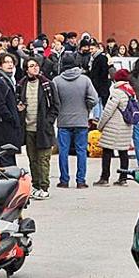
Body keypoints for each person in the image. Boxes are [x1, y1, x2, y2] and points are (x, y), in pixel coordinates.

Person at [52, 53, 99, 188]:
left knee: (63, 151)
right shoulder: (85, 80)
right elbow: (94, 99)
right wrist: (86, 108)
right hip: (81, 120)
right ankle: (81, 180)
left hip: (63, 121)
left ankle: (64, 180)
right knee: (81, 151)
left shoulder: (57, 81)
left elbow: (54, 101)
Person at [17, 56, 57, 198]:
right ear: (26, 69)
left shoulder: (47, 85)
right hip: (28, 128)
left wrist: (48, 122)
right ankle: (36, 185)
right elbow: (19, 102)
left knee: (43, 159)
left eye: (36, 66)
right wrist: (20, 109)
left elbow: (55, 106)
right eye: (32, 66)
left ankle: (44, 187)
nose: (35, 68)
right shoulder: (21, 85)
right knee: (32, 159)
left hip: (43, 128)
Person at [93, 78, 134, 186]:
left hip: (114, 127)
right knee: (123, 152)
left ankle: (104, 178)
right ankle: (123, 178)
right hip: (126, 126)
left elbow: (107, 111)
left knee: (107, 152)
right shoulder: (130, 91)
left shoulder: (117, 92)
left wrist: (100, 125)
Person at [0, 53, 25, 159]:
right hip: (2, 128)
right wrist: (11, 117)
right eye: (6, 62)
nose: (10, 65)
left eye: (11, 62)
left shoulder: (8, 80)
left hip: (6, 126)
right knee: (5, 161)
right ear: (0, 65)